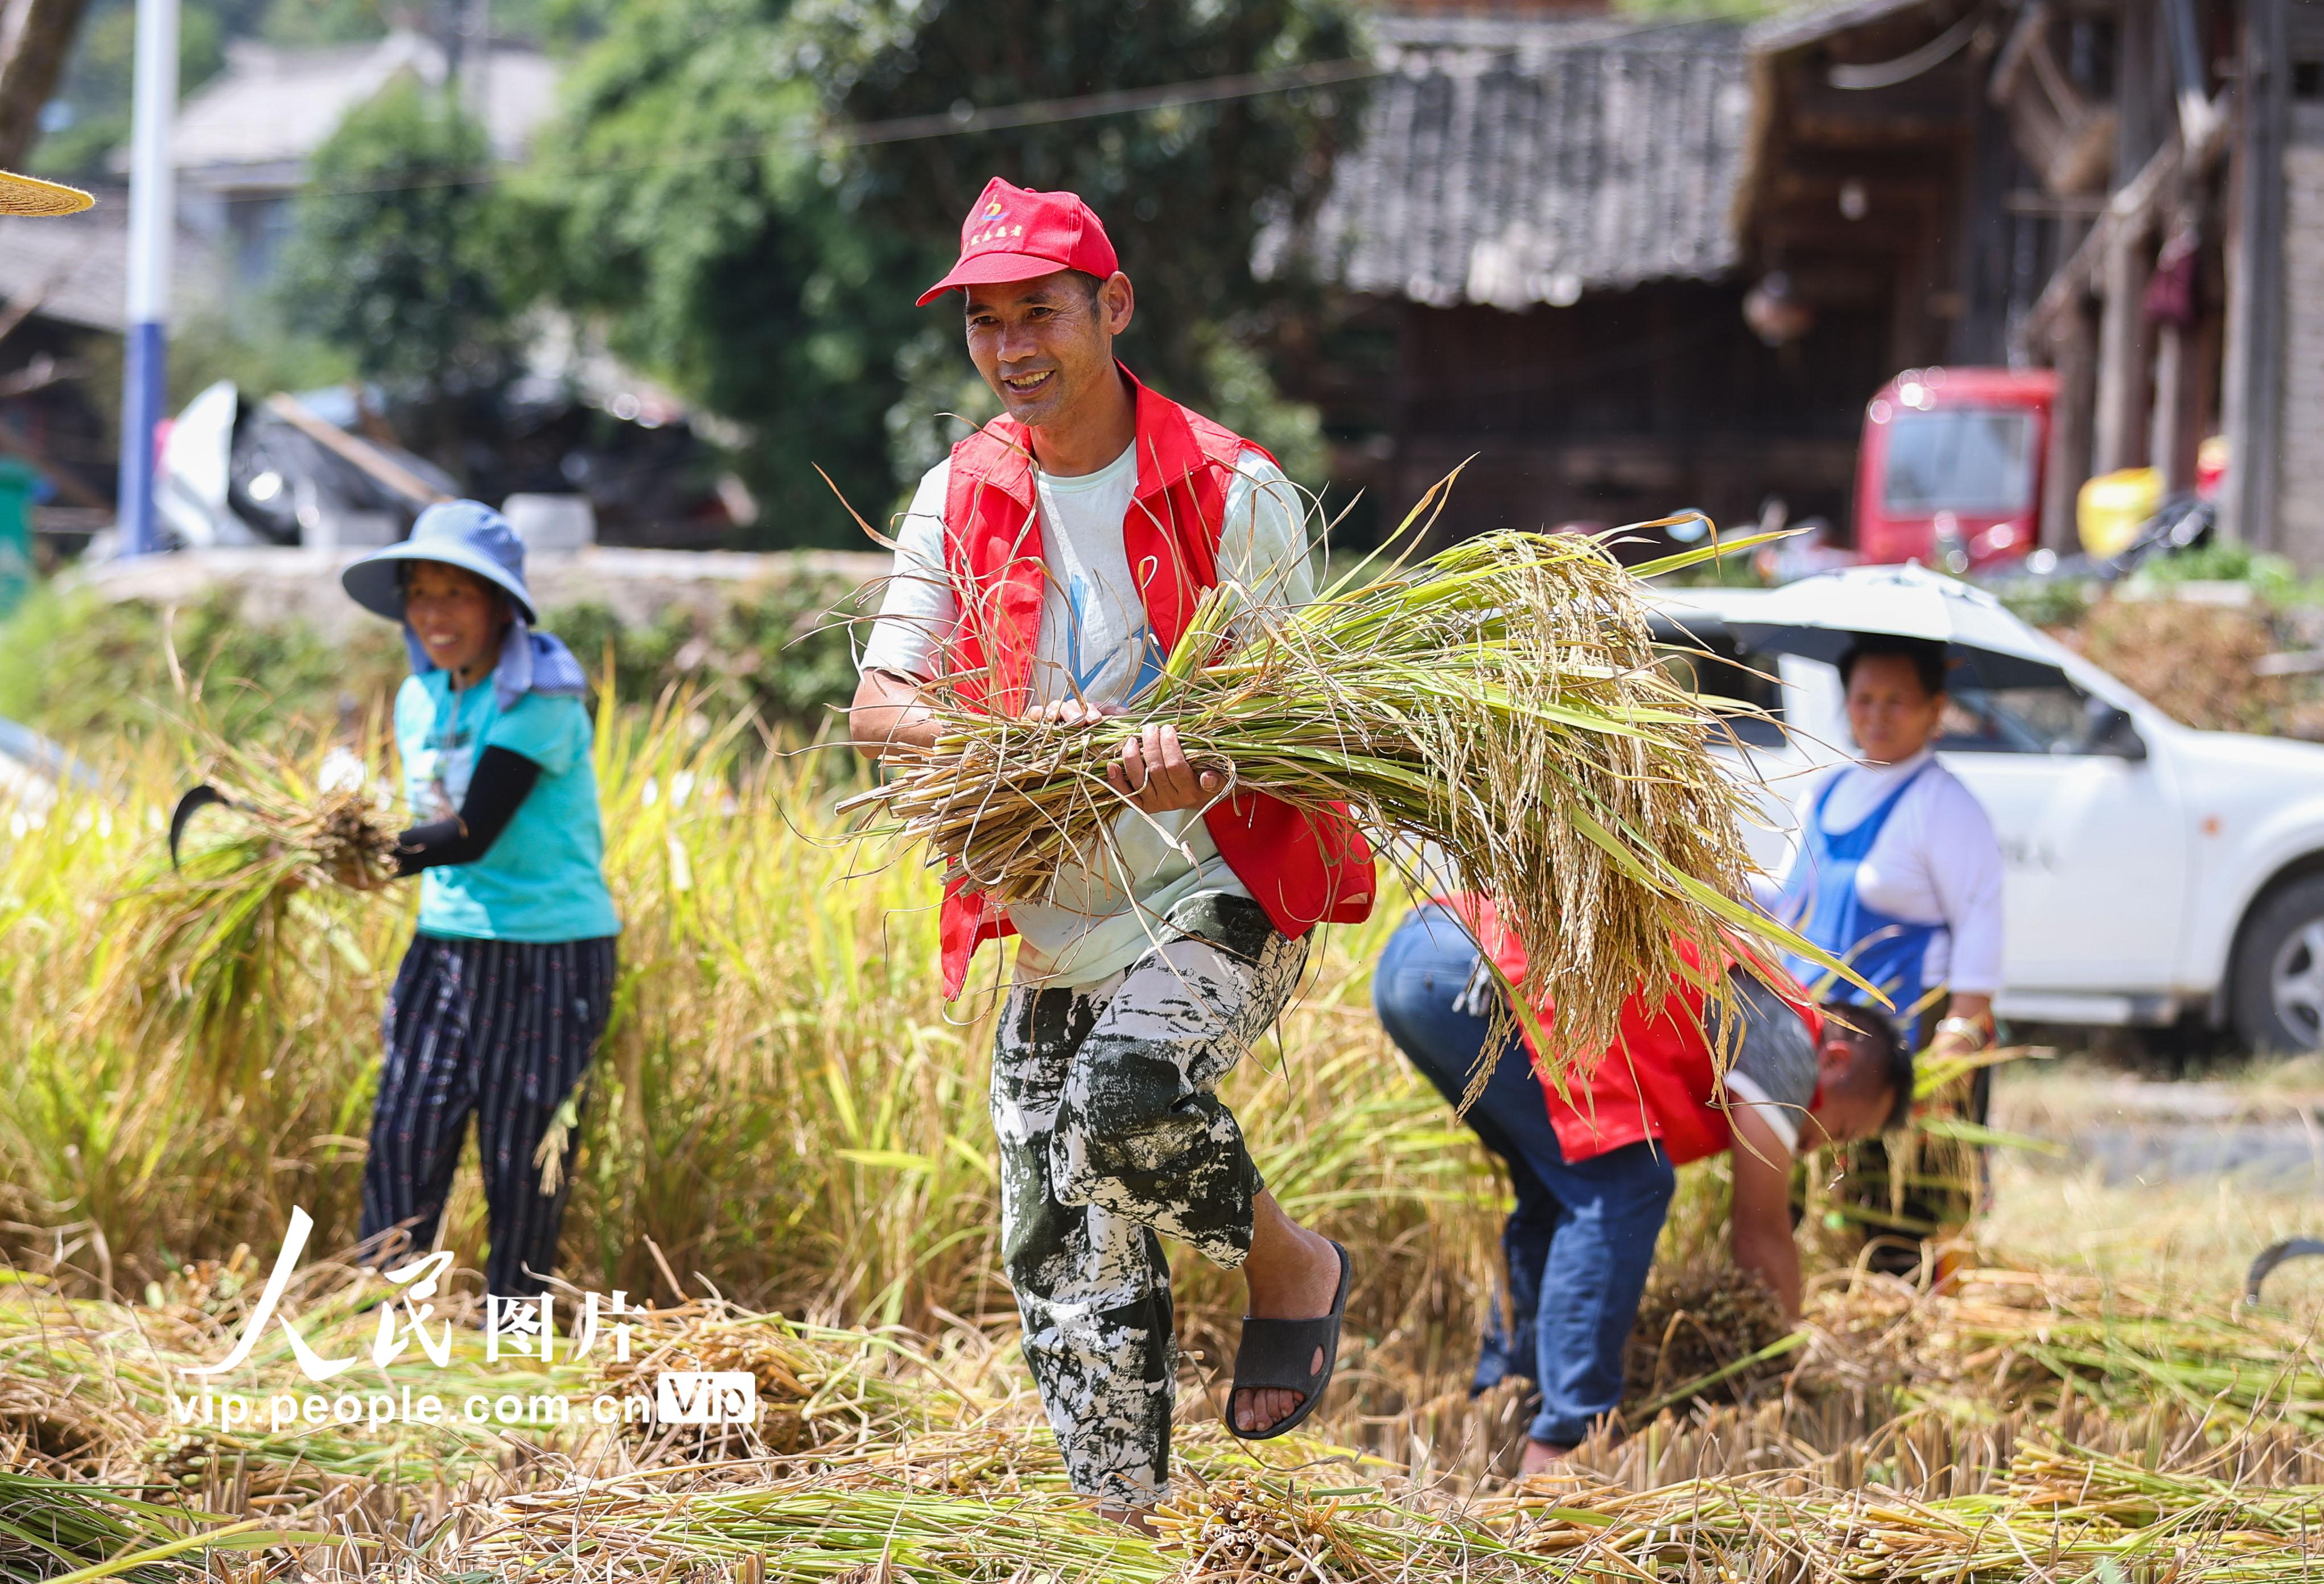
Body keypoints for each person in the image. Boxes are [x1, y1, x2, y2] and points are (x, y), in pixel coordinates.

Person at [850, 178, 1376, 1521]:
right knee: (1059, 1235)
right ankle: (1126, 1527)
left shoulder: (1230, 489)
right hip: (1049, 912)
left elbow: (1291, 724)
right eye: (985, 320)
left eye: (1040, 312)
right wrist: (1026, 738)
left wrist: (1199, 752)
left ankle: (1289, 1266)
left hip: (1217, 891)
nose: (1013, 346)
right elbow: (879, 703)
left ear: (1112, 306)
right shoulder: (960, 490)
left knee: (1128, 1092)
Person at [1373, 897, 1910, 1474]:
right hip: (1475, 973)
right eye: (1844, 1129)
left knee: (1559, 1196)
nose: (1825, 1148)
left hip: (1426, 955)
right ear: (1834, 1060)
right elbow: (1761, 1234)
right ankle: (1562, 1447)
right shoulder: (1790, 1038)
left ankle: (1502, 1411)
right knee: (1628, 1183)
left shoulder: (1757, 1003)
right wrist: (1787, 1361)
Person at [339, 500, 621, 1298]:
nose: (435, 615)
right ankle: (385, 1323)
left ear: (500, 604)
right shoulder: (419, 699)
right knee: (406, 1131)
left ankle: (517, 1344)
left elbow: (469, 833)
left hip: (552, 954)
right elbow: (426, 829)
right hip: (448, 944)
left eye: (455, 595)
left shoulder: (542, 697)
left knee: (522, 1158)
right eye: (420, 595)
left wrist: (350, 853)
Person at [1770, 633, 2005, 1062]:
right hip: (1814, 1031)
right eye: (1864, 698)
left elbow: (1980, 925)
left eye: (1896, 700)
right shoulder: (1826, 790)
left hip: (1903, 1045)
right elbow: (1787, 897)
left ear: (1935, 709)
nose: (1877, 714)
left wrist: (1959, 1036)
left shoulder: (1945, 805)